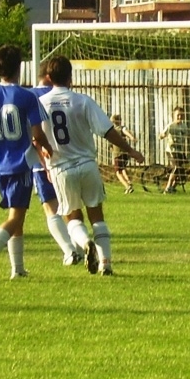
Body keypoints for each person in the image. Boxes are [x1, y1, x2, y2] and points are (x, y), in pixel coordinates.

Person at [38, 55, 145, 276]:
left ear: (48, 78)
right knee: (97, 215)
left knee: (72, 217)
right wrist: (131, 150)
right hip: (87, 165)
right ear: (70, 77)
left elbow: (35, 137)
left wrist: (45, 160)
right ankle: (105, 263)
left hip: (61, 168)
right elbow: (107, 130)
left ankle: (86, 244)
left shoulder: (41, 104)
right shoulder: (82, 100)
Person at [0, 44, 55, 281]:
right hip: (20, 164)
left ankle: (18, 269)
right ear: (20, 67)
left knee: (18, 216)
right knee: (16, 217)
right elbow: (37, 132)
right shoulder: (27, 96)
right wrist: (48, 148)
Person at [31, 63, 81, 266]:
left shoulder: (31, 97)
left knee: (50, 209)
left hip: (42, 162)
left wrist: (44, 164)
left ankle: (70, 251)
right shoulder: (69, 95)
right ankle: (81, 246)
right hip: (72, 161)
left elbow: (35, 136)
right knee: (72, 209)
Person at [159, 106, 190, 194]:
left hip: (180, 151)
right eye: (178, 115)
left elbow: (188, 135)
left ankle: (173, 187)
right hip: (171, 150)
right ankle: (167, 187)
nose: (180, 117)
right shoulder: (171, 126)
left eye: (181, 115)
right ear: (173, 116)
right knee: (177, 167)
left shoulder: (184, 126)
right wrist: (162, 136)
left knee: (184, 170)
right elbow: (162, 135)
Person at [110, 114, 137, 194]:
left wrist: (131, 137)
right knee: (123, 169)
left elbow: (125, 132)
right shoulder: (120, 128)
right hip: (125, 153)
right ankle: (129, 182)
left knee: (118, 172)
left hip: (118, 154)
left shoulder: (114, 130)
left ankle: (127, 186)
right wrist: (131, 137)